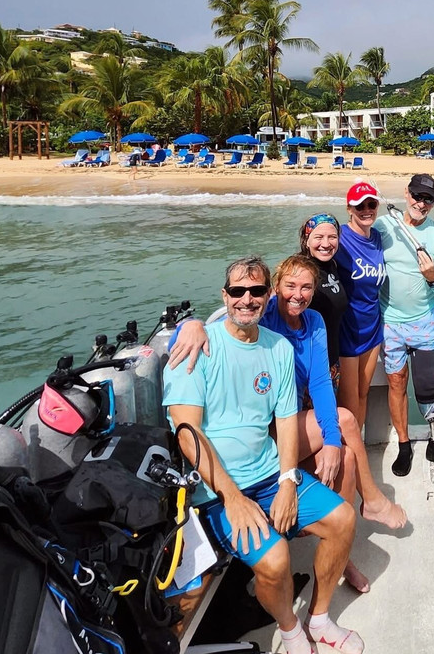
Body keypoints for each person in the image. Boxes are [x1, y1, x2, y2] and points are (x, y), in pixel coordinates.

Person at [168, 254, 408, 594]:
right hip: (269, 428)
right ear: (276, 289)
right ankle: (372, 500)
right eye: (290, 285)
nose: (298, 293)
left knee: (346, 457)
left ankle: (344, 557)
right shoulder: (263, 313)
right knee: (346, 420)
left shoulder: (314, 323)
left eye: (307, 287)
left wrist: (331, 444)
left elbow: (322, 383)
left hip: (290, 420)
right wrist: (187, 325)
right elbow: (223, 320)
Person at [163, 256, 363, 654]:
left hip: (269, 474)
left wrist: (288, 481)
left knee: (343, 518)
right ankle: (290, 630)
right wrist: (233, 498)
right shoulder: (198, 347)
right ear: (225, 296)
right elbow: (188, 435)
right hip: (217, 491)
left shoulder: (279, 349)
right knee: (275, 559)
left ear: (267, 296)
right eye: (237, 291)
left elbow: (287, 422)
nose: (247, 299)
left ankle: (319, 619)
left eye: (256, 291)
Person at [374, 173, 434, 476]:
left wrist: (433, 277)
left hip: (424, 321)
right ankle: (403, 444)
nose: (421, 203)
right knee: (396, 382)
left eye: (428, 199)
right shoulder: (385, 226)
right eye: (416, 196)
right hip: (389, 321)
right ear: (406, 194)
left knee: (426, 384)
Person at [334, 182, 387, 430]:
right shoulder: (340, 239)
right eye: (360, 205)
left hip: (373, 328)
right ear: (349, 208)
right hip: (347, 331)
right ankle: (350, 459)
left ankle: (359, 451)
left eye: (371, 204)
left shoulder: (377, 237)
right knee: (348, 401)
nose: (366, 210)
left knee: (363, 394)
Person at [298, 213, 348, 388]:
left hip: (331, 363)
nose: (326, 244)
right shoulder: (299, 270)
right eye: (318, 237)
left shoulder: (332, 266)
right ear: (307, 240)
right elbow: (272, 301)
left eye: (332, 237)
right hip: (306, 367)